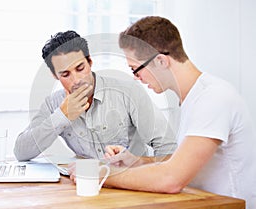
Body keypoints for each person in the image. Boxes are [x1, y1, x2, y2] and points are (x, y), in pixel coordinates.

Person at [102, 16, 256, 209]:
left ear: (160, 61)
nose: (136, 78)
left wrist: (103, 176)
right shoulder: (193, 97)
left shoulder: (214, 98)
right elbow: (181, 161)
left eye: (135, 70)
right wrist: (137, 161)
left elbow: (171, 178)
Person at [13, 30, 177, 162]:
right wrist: (62, 116)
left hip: (132, 183)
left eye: (80, 68)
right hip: (87, 185)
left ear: (90, 62)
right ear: (55, 76)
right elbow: (21, 152)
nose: (77, 80)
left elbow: (167, 147)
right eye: (65, 74)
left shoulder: (127, 91)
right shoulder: (53, 104)